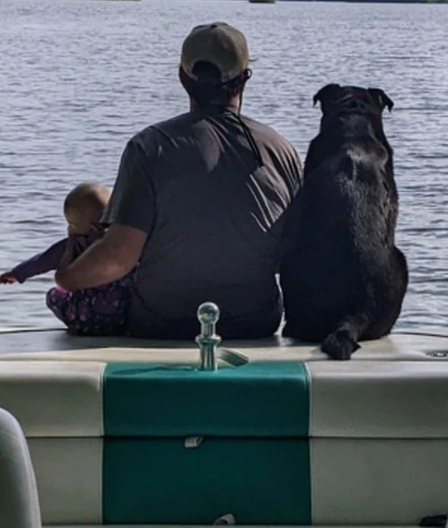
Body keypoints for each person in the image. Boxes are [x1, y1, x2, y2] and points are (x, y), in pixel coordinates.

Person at [54, 22, 303, 339]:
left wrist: (66, 278)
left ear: (182, 77)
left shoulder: (148, 147)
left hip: (161, 325)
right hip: (255, 325)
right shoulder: (281, 150)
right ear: (244, 80)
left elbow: (117, 259)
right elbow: (293, 255)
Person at [0, 182, 132, 335]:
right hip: (122, 317)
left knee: (53, 294)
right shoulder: (123, 241)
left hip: (84, 319)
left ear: (89, 228)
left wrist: (17, 273)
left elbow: (43, 261)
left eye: (71, 224)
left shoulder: (74, 244)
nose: (69, 228)